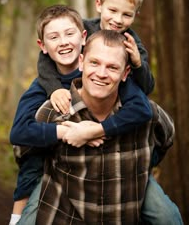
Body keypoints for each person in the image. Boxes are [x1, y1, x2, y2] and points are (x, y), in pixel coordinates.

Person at [9, 5, 152, 225]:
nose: (64, 41)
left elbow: (144, 110)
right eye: (54, 37)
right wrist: (64, 131)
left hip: (112, 174)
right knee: (30, 177)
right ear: (43, 46)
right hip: (52, 166)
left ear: (84, 37)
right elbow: (18, 132)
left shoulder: (103, 74)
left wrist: (98, 130)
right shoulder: (40, 87)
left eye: (69, 34)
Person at [30, 30, 180, 224]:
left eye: (112, 67)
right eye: (94, 63)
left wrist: (139, 169)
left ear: (125, 73)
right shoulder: (52, 113)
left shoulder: (148, 116)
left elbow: (166, 138)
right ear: (81, 62)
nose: (101, 74)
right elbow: (28, 154)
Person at [37, 0, 155, 115]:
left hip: (110, 102)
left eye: (127, 15)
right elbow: (46, 57)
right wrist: (54, 88)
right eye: (112, 11)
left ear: (136, 15)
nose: (118, 20)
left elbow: (147, 87)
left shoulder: (132, 44)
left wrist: (138, 63)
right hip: (74, 91)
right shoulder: (83, 28)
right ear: (99, 5)